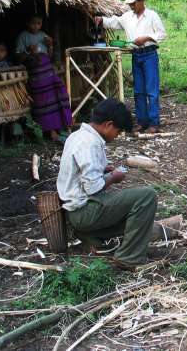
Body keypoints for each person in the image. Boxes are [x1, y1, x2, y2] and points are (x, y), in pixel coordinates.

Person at [57, 99, 158, 270]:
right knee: (147, 196)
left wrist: (104, 170)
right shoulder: (90, 144)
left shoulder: (77, 136)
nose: (116, 136)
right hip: (84, 211)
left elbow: (82, 173)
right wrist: (113, 177)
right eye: (117, 132)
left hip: (74, 213)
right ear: (108, 125)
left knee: (136, 213)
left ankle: (91, 235)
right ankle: (129, 257)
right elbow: (93, 187)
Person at [96, 0, 167, 134]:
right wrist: (101, 20)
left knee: (151, 91)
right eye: (131, 4)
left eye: (134, 3)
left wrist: (147, 38)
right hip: (136, 55)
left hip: (149, 54)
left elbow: (162, 34)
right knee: (139, 90)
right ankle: (142, 121)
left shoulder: (152, 16)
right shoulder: (127, 17)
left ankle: (154, 122)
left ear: (142, 1)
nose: (132, 6)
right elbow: (114, 22)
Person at [15, 14, 72, 142]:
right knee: (43, 102)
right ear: (27, 23)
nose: (36, 26)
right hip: (36, 76)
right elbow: (19, 58)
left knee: (60, 94)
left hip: (49, 72)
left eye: (39, 23)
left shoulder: (43, 35)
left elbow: (49, 56)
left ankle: (64, 126)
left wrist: (50, 45)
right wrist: (29, 51)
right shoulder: (23, 36)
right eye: (33, 23)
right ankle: (51, 132)